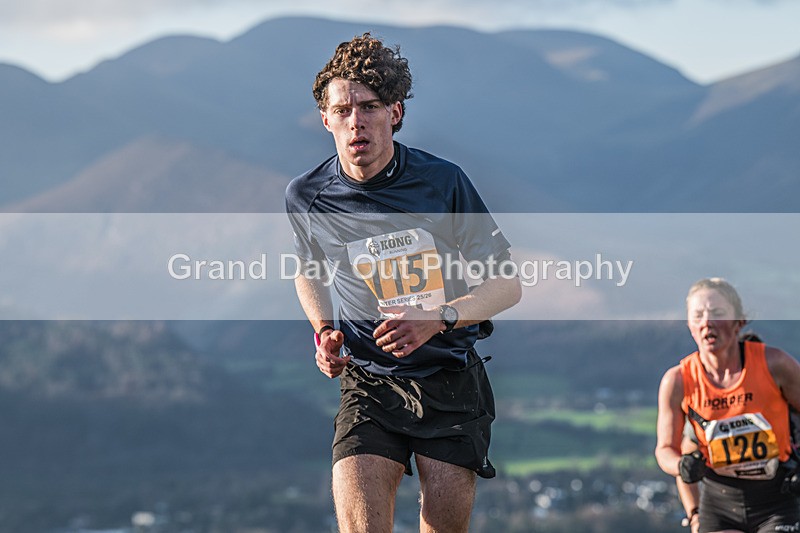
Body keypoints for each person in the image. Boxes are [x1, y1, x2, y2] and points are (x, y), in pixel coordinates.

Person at [285, 33, 521, 533]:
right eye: (343, 109)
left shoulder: (443, 182)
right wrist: (323, 330)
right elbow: (309, 270)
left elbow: (507, 284)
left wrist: (435, 320)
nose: (357, 121)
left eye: (369, 106)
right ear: (325, 119)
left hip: (449, 380)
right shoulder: (308, 195)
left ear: (394, 112)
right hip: (369, 384)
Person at [655, 278, 800, 533]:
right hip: (719, 503)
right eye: (698, 315)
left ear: (739, 321)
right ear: (689, 324)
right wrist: (681, 467)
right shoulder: (677, 381)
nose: (707, 322)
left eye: (718, 313)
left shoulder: (775, 364)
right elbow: (665, 449)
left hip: (779, 499)